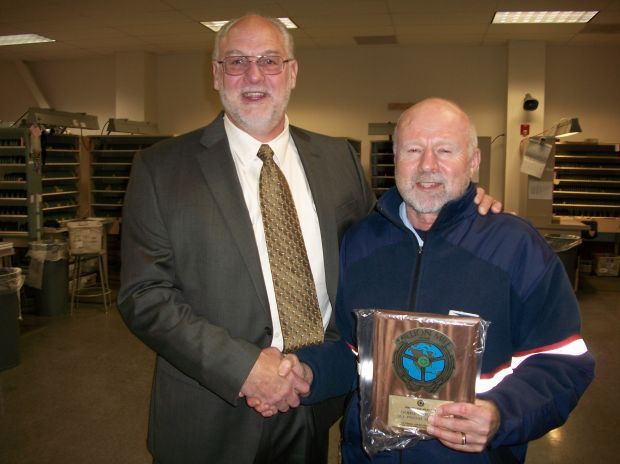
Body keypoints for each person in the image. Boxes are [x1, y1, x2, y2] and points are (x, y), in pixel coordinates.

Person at [117, 13, 500, 463]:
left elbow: (384, 239)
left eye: (270, 61)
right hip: (211, 411)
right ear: (217, 74)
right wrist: (244, 369)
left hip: (317, 404)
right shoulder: (162, 168)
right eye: (237, 61)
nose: (254, 75)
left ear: (292, 72)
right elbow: (144, 294)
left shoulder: (337, 158)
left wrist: (463, 204)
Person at [295, 98, 595, 463]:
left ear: (473, 161)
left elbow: (563, 362)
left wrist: (502, 414)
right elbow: (351, 350)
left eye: (445, 150)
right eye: (413, 149)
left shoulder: (517, 247)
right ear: (395, 158)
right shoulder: (360, 242)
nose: (427, 166)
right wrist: (306, 369)